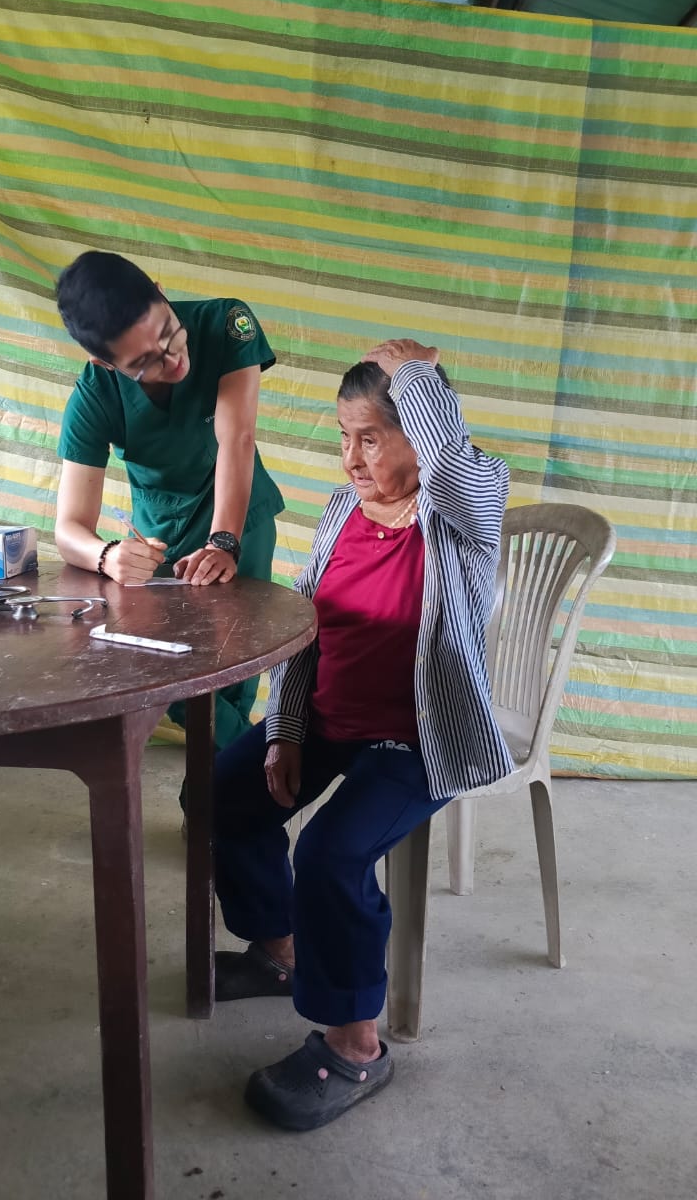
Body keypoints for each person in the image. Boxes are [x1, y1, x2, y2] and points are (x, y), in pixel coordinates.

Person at [211, 338, 513, 1131]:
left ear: (420, 433)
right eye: (344, 436)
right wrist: (285, 729)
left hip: (414, 742)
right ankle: (279, 953)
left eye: (371, 438)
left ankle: (356, 1045)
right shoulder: (343, 509)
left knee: (330, 855)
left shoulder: (465, 515)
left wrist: (416, 376)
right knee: (223, 794)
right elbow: (308, 624)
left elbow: (456, 469)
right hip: (329, 720)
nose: (350, 458)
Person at [54, 251, 284, 751]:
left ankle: (220, 786)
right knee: (161, 665)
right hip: (159, 534)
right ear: (104, 362)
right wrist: (107, 555)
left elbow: (237, 439)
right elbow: (68, 528)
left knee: (232, 667)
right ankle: (247, 770)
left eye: (169, 334)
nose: (172, 359)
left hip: (238, 516)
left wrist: (224, 542)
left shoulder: (228, 323)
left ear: (160, 291)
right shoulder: (94, 395)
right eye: (144, 363)